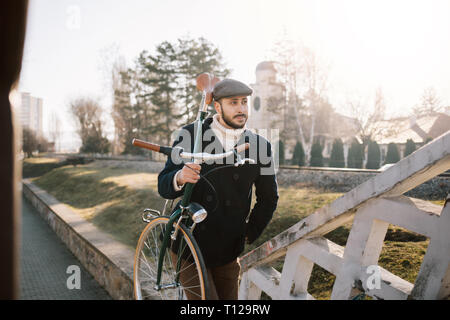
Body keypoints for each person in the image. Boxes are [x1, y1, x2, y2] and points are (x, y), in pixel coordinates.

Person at [158, 78, 279, 300]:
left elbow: (269, 198)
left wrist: (248, 233)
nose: (241, 109)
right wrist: (180, 176)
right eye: (233, 103)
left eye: (244, 102)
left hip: (229, 249)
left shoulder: (261, 145)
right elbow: (163, 184)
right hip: (190, 245)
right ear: (218, 106)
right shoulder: (190, 135)